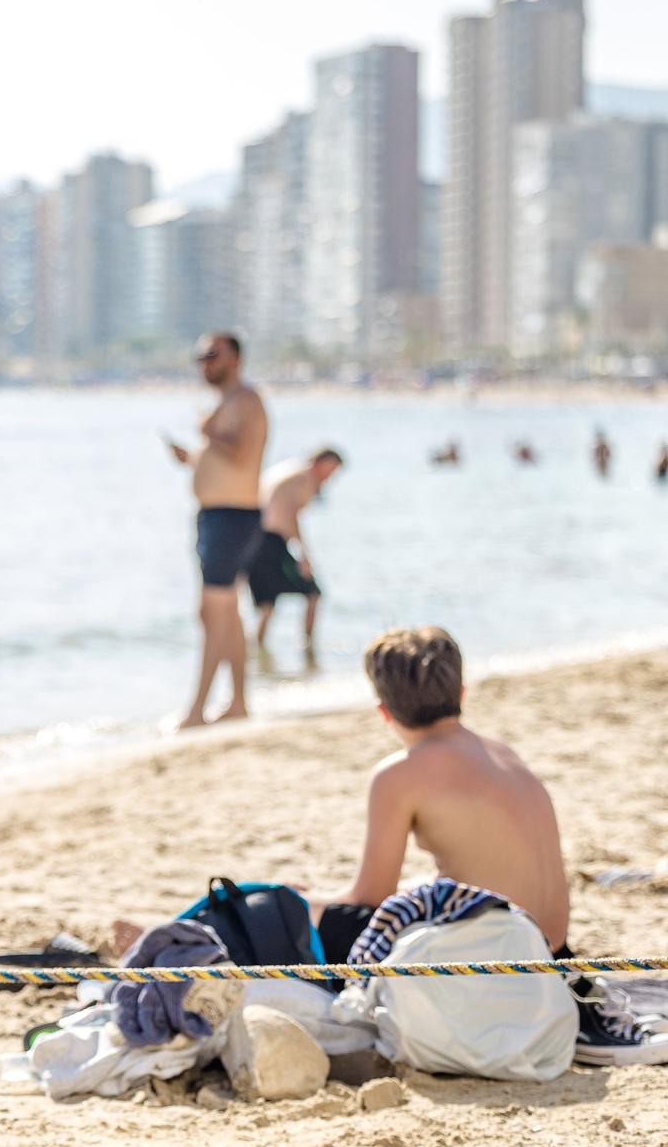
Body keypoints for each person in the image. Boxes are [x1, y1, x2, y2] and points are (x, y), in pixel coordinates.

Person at [309, 627, 663, 1066]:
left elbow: (369, 897)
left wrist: (312, 902)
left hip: (502, 961)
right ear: (461, 690)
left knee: (318, 920)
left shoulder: (398, 774)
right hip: (554, 953)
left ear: (383, 711)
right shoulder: (502, 752)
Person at [165, 331, 268, 729]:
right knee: (226, 614)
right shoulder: (225, 403)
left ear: (235, 359)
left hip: (232, 518)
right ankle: (239, 701)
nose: (204, 363)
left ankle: (197, 709)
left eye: (212, 356)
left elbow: (243, 454)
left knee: (212, 612)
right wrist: (192, 458)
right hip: (219, 517)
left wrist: (208, 435)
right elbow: (223, 460)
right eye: (201, 357)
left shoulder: (247, 401)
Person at [249, 449, 342, 652]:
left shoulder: (292, 468)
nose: (329, 477)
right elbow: (290, 516)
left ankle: (257, 654)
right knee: (314, 592)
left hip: (253, 537)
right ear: (321, 462)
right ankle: (308, 648)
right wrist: (304, 555)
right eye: (331, 470)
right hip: (270, 541)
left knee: (267, 603)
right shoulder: (304, 478)